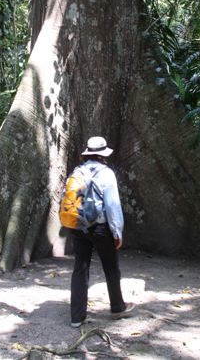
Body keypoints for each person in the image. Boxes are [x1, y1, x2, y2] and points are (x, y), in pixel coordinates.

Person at [68, 136, 135, 328]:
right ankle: (117, 307)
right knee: (111, 267)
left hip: (79, 226)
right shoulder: (107, 174)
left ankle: (76, 317)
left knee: (80, 268)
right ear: (103, 155)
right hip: (100, 227)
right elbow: (112, 205)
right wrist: (117, 232)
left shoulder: (77, 171)